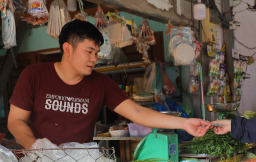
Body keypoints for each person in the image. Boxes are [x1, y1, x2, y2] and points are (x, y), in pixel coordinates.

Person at [8, 19, 210, 149]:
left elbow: (138, 113)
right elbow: (15, 121)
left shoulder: (101, 83)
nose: (94, 59)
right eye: (89, 52)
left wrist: (184, 123)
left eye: (96, 53)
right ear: (67, 49)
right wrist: (39, 150)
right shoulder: (34, 75)